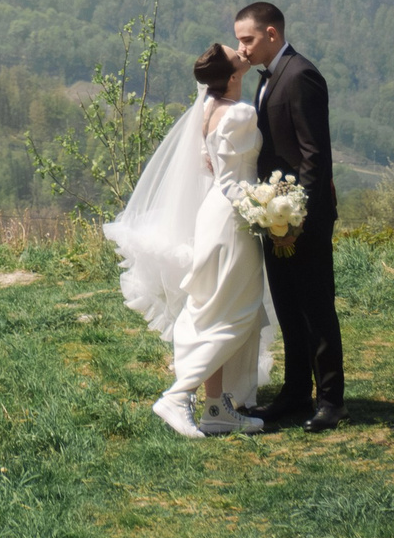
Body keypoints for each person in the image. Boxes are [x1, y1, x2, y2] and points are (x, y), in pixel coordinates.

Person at [102, 43, 275, 438]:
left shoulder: (208, 110)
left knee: (214, 307)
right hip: (234, 218)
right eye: (237, 54)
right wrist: (269, 206)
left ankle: (216, 408)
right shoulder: (241, 112)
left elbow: (208, 166)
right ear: (232, 77)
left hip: (216, 212)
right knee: (236, 312)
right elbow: (239, 176)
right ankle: (178, 396)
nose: (241, 52)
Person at [232, 0, 345, 432]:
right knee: (287, 307)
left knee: (316, 309)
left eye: (248, 39)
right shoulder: (269, 77)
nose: (242, 49)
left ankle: (331, 401)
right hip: (273, 216)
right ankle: (296, 393)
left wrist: (299, 218)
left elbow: (316, 156)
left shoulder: (301, 76)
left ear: (272, 35)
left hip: (302, 219)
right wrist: (270, 214)